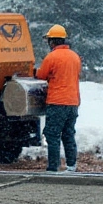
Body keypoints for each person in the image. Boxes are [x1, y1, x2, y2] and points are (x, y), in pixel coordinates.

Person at [35, 24, 81, 172]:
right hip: (73, 102)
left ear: (52, 42)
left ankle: (53, 167)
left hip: (57, 102)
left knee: (52, 134)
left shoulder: (52, 57)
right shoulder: (75, 57)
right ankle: (71, 166)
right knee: (68, 134)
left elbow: (41, 75)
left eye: (49, 40)